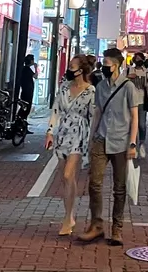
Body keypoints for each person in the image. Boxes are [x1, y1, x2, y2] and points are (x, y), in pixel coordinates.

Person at [82, 47, 140, 245]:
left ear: (116, 66)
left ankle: (117, 228)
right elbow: (97, 112)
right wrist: (91, 138)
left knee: (119, 188)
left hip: (122, 141)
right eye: (103, 64)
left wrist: (133, 143)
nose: (104, 68)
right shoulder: (100, 87)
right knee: (94, 183)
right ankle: (96, 225)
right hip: (101, 138)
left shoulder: (128, 87)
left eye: (107, 65)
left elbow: (134, 117)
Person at [45, 54, 96, 236]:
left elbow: (92, 116)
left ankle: (68, 218)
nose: (69, 69)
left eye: (72, 66)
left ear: (81, 70)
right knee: (65, 178)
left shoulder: (91, 91)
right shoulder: (64, 87)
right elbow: (56, 109)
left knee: (68, 175)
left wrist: (91, 140)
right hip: (63, 133)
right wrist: (50, 131)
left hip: (79, 134)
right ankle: (69, 214)